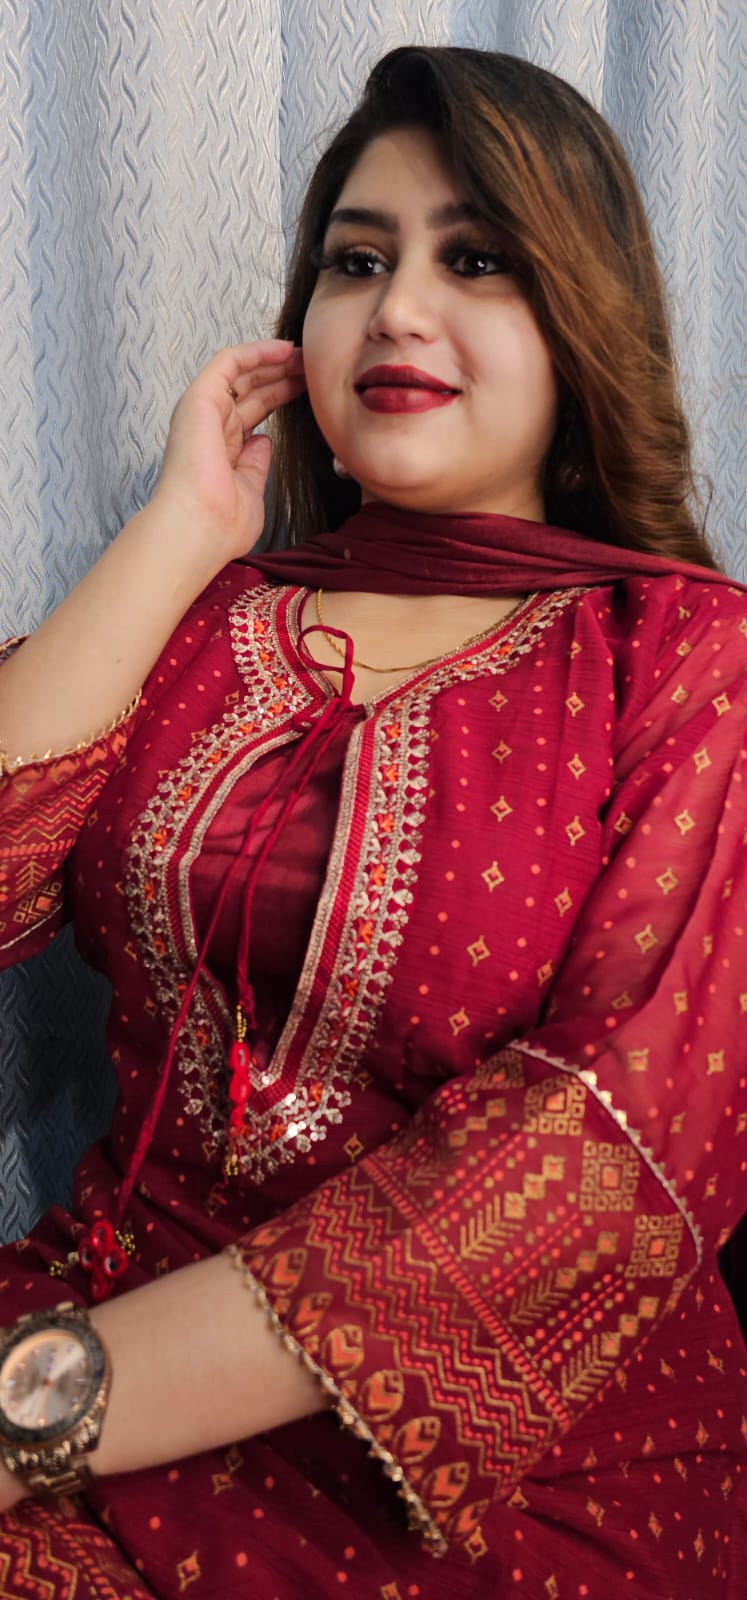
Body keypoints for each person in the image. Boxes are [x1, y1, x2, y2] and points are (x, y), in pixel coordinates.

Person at [0, 42, 744, 1600]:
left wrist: (39, 1410)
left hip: (484, 1471)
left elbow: (603, 1150)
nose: (398, 308)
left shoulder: (685, 659)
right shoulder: (204, 623)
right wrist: (181, 528)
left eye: (475, 258)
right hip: (97, 1319)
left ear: (581, 325)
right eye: (356, 261)